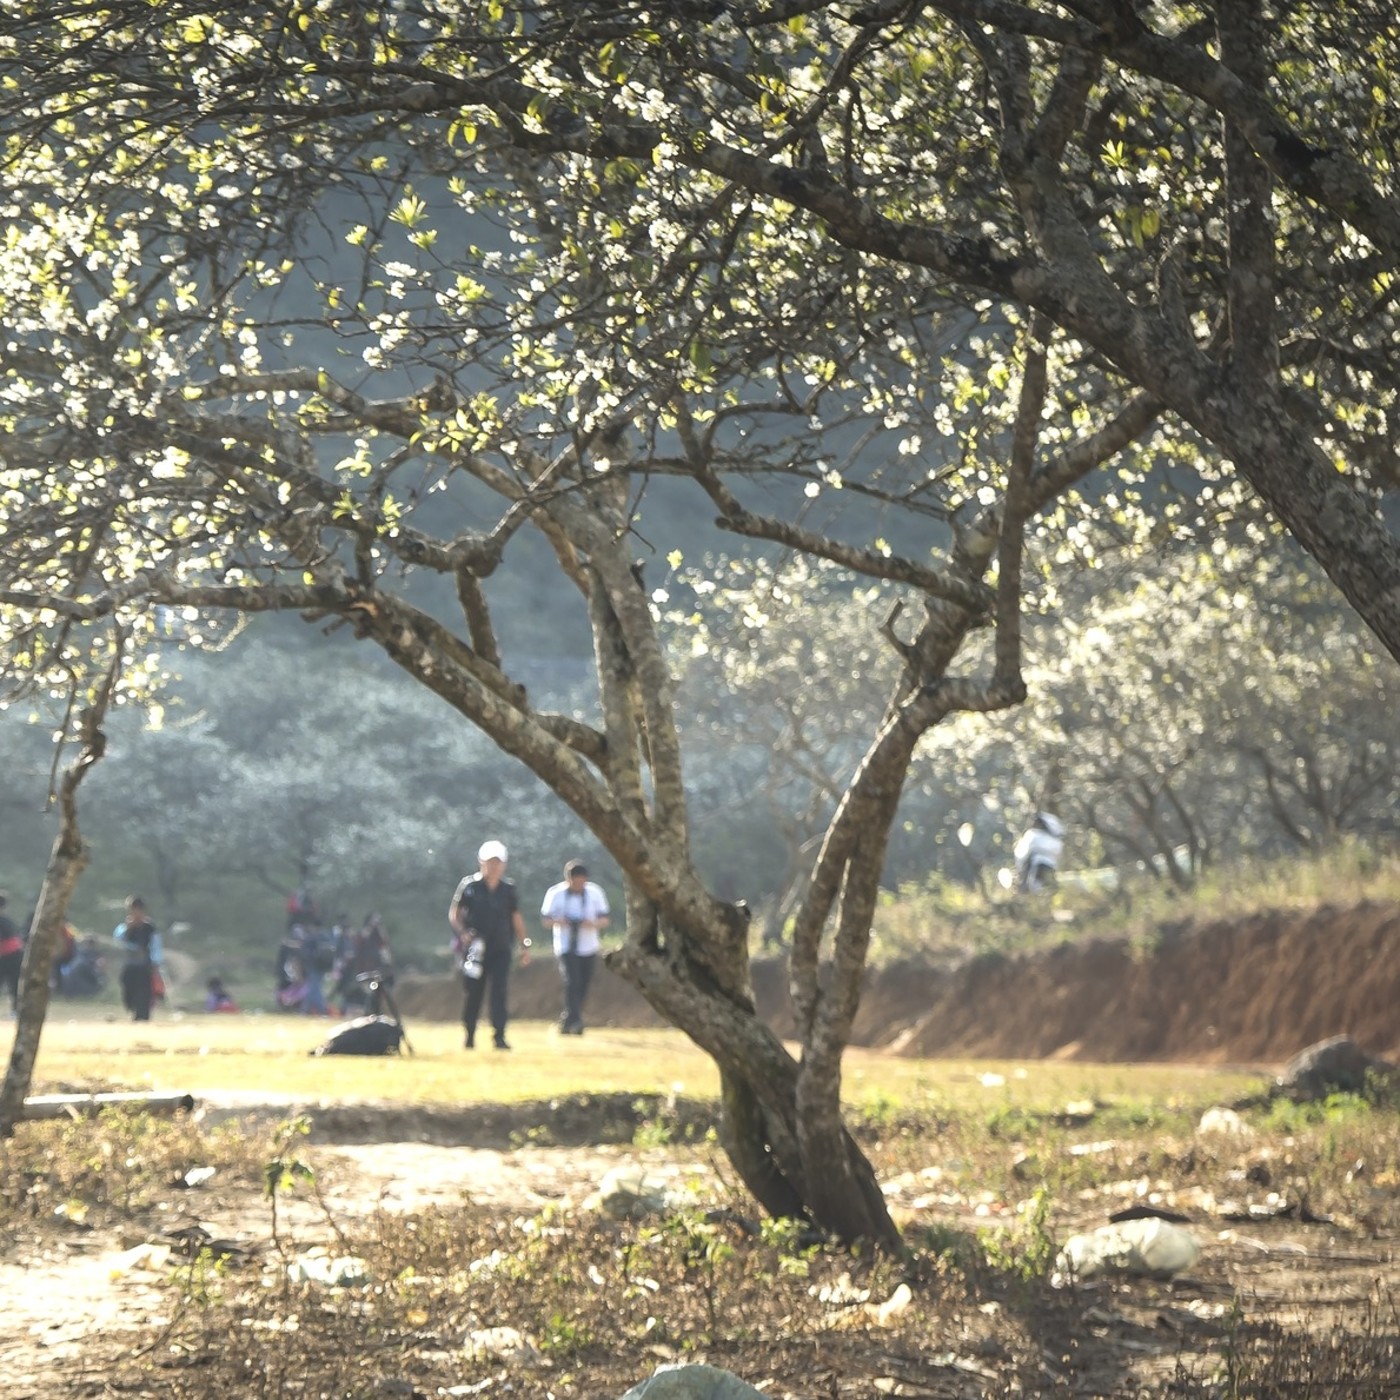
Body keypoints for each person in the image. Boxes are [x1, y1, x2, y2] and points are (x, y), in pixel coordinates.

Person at [449, 839, 530, 1050]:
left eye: (497, 862)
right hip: (475, 950)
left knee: (499, 991)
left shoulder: (508, 889)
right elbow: (455, 914)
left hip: (501, 948)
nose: (494, 866)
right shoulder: (470, 887)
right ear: (481, 862)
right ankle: (469, 1034)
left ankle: (499, 1036)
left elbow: (516, 917)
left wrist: (524, 944)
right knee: (473, 992)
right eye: (490, 862)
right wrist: (463, 932)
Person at [540, 859, 610, 1036]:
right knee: (572, 981)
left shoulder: (594, 893)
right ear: (568, 879)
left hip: (588, 945)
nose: (579, 885)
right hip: (565, 945)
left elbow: (605, 919)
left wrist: (591, 924)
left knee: (584, 984)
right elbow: (546, 920)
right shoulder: (556, 893)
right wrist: (561, 922)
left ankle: (568, 1019)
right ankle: (577, 1022)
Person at [113, 895, 163, 1022]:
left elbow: (155, 945)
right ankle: (133, 1010)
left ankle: (142, 1016)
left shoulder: (149, 928)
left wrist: (155, 963)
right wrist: (128, 928)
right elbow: (117, 942)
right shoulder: (124, 927)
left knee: (144, 993)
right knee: (128, 991)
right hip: (129, 965)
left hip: (144, 966)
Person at [1014, 812, 1065, 893]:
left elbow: (1021, 855)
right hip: (1047, 867)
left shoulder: (1033, 835)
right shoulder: (1057, 842)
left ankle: (1023, 891)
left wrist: (1020, 867)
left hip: (1036, 867)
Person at [0, 892, 23, 1015]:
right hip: (15, 954)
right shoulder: (8, 920)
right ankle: (15, 1009)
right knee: (14, 983)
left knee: (13, 983)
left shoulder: (3, 921)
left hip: (6, 955)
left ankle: (15, 1009)